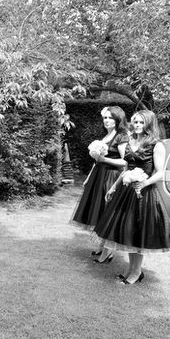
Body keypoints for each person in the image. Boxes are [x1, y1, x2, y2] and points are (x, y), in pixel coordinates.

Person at [93, 110, 170, 284]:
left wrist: (144, 183)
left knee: (138, 233)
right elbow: (126, 168)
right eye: (135, 122)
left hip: (144, 195)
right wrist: (114, 187)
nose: (137, 125)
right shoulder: (130, 141)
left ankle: (136, 272)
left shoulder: (156, 145)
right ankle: (131, 270)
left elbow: (160, 173)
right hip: (125, 193)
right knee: (128, 232)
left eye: (141, 122)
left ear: (148, 124)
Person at [71, 106, 128, 263]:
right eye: (105, 118)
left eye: (110, 118)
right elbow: (97, 161)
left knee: (106, 212)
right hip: (99, 175)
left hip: (111, 176)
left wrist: (104, 160)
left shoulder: (121, 137)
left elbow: (125, 161)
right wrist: (89, 177)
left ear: (118, 119)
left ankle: (108, 251)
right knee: (98, 212)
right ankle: (102, 247)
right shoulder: (105, 137)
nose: (106, 120)